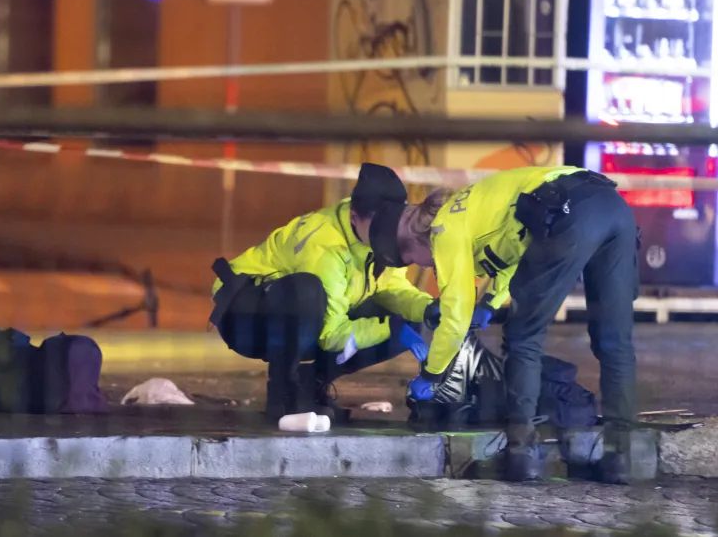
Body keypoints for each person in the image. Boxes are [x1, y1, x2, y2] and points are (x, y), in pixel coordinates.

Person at [369, 165, 638, 484]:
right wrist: (491, 302)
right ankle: (619, 458)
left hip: (571, 213)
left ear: (411, 241)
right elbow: (519, 246)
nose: (422, 265)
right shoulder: (471, 205)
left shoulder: (444, 230)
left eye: (411, 259)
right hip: (612, 206)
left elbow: (455, 316)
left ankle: (520, 456)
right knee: (614, 342)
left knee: (523, 337)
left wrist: (432, 375)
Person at [209, 163, 440, 422]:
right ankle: (283, 392)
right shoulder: (324, 242)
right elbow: (331, 335)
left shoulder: (384, 234)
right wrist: (391, 328)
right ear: (354, 217)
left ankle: (310, 383)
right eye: (376, 226)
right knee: (307, 292)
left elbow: (392, 289)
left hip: (309, 318)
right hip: (247, 316)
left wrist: (428, 309)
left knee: (411, 318)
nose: (382, 234)